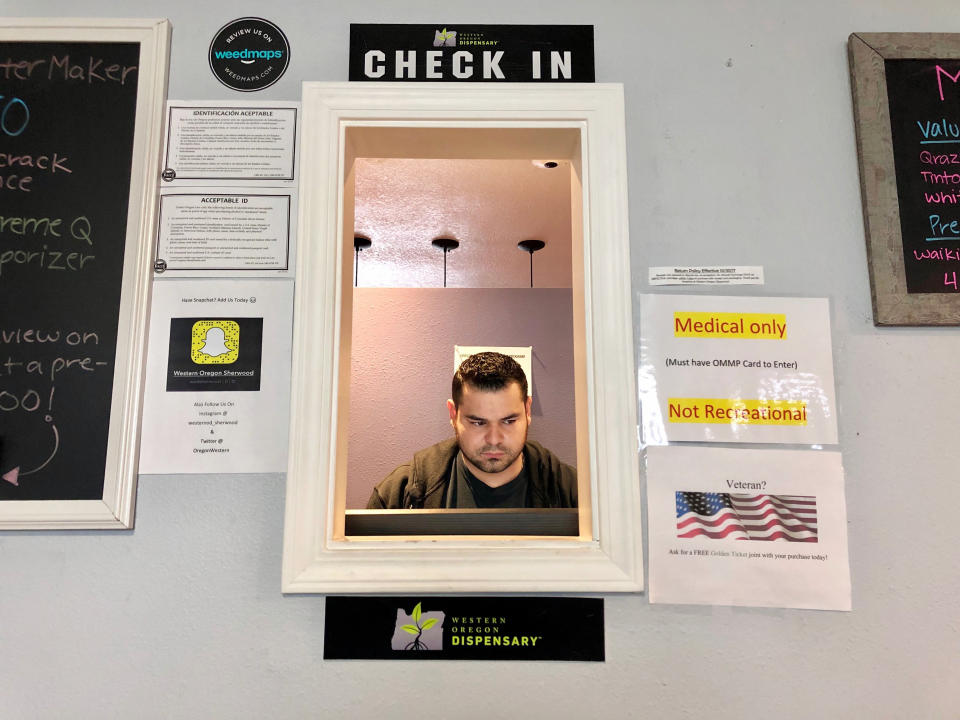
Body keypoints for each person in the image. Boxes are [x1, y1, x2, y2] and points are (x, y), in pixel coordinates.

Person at [367, 351, 577, 509]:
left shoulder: (573, 494)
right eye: (478, 423)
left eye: (509, 421)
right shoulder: (400, 494)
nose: (494, 439)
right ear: (453, 414)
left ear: (527, 410)